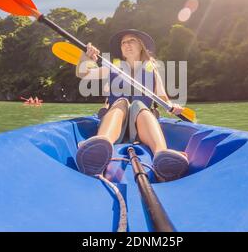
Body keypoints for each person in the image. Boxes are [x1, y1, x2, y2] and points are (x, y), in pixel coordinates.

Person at [75, 29, 189, 181]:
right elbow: (83, 74)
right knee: (121, 102)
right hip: (117, 124)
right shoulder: (112, 68)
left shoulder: (151, 70)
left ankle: (162, 155)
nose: (126, 44)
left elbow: (163, 98)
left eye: (131, 41)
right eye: (123, 43)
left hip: (140, 127)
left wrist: (172, 106)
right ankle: (101, 145)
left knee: (139, 105)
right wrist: (85, 57)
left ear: (141, 46)